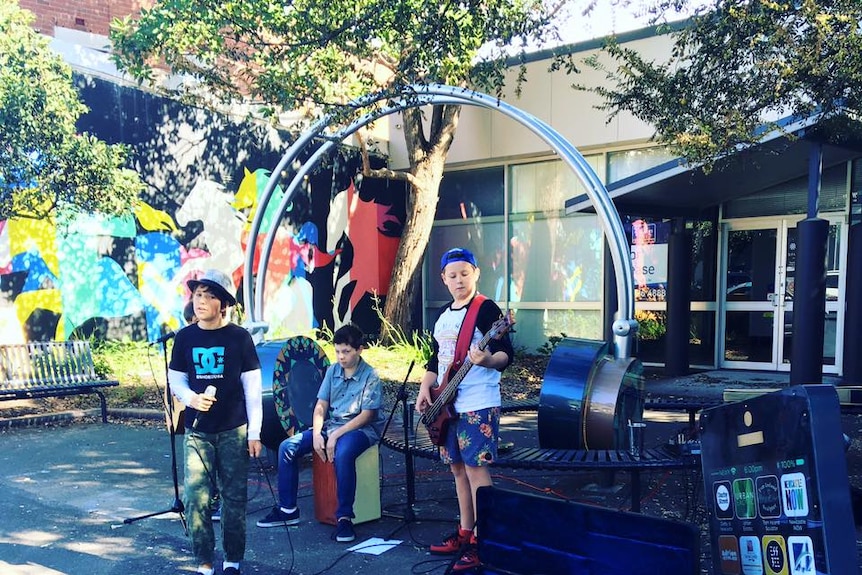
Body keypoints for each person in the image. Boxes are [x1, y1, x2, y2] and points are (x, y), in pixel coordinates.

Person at [415, 247, 514, 572]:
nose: (459, 280)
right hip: (447, 406)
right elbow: (436, 359)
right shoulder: (444, 314)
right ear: (443, 279)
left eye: (464, 273)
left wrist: (487, 359)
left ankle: (484, 541)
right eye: (452, 275)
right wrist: (424, 388)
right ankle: (465, 531)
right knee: (457, 469)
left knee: (476, 471)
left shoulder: (486, 310)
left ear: (476, 273)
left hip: (477, 404)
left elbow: (505, 354)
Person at [168, 269, 263, 575]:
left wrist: (255, 432)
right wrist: (191, 398)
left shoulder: (239, 338)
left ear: (223, 303)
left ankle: (233, 559)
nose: (201, 301)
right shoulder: (184, 337)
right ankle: (205, 561)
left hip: (234, 431)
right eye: (198, 295)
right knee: (197, 497)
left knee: (235, 499)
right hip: (198, 432)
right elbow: (176, 381)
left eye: (209, 296)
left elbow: (252, 388)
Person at [256, 323, 383, 543]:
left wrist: (334, 436)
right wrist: (317, 434)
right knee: (288, 447)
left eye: (346, 352)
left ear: (359, 350)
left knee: (343, 453)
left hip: (359, 429)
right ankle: (288, 509)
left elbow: (367, 415)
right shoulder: (333, 370)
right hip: (331, 425)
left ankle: (344, 517)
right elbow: (320, 406)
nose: (341, 357)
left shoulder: (370, 375)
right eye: (338, 351)